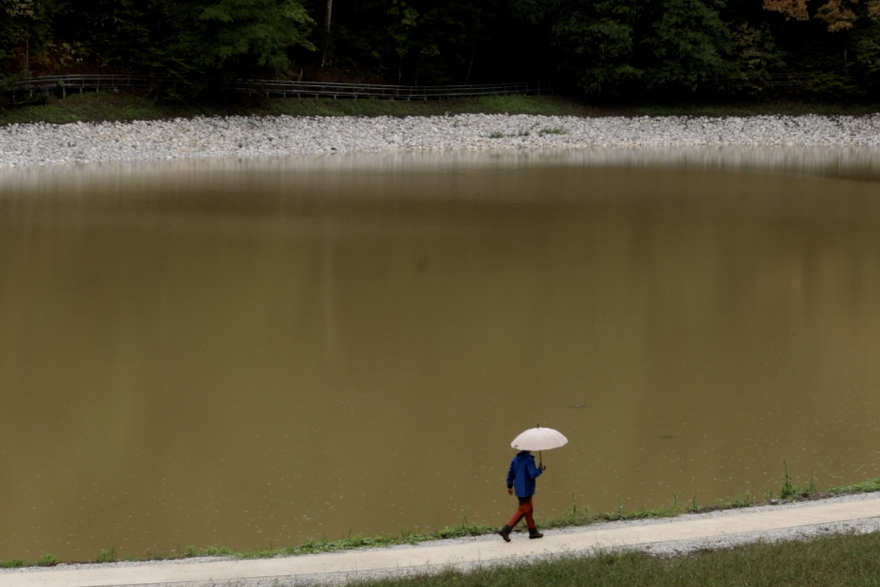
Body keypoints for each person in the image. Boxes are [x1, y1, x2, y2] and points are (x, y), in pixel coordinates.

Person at [499, 450, 546, 541]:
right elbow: (532, 474)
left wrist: (509, 486)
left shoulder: (515, 459)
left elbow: (510, 473)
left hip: (519, 489)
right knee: (523, 509)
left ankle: (533, 532)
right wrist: (540, 469)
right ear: (529, 449)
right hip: (526, 489)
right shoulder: (529, 459)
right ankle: (506, 529)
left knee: (529, 508)